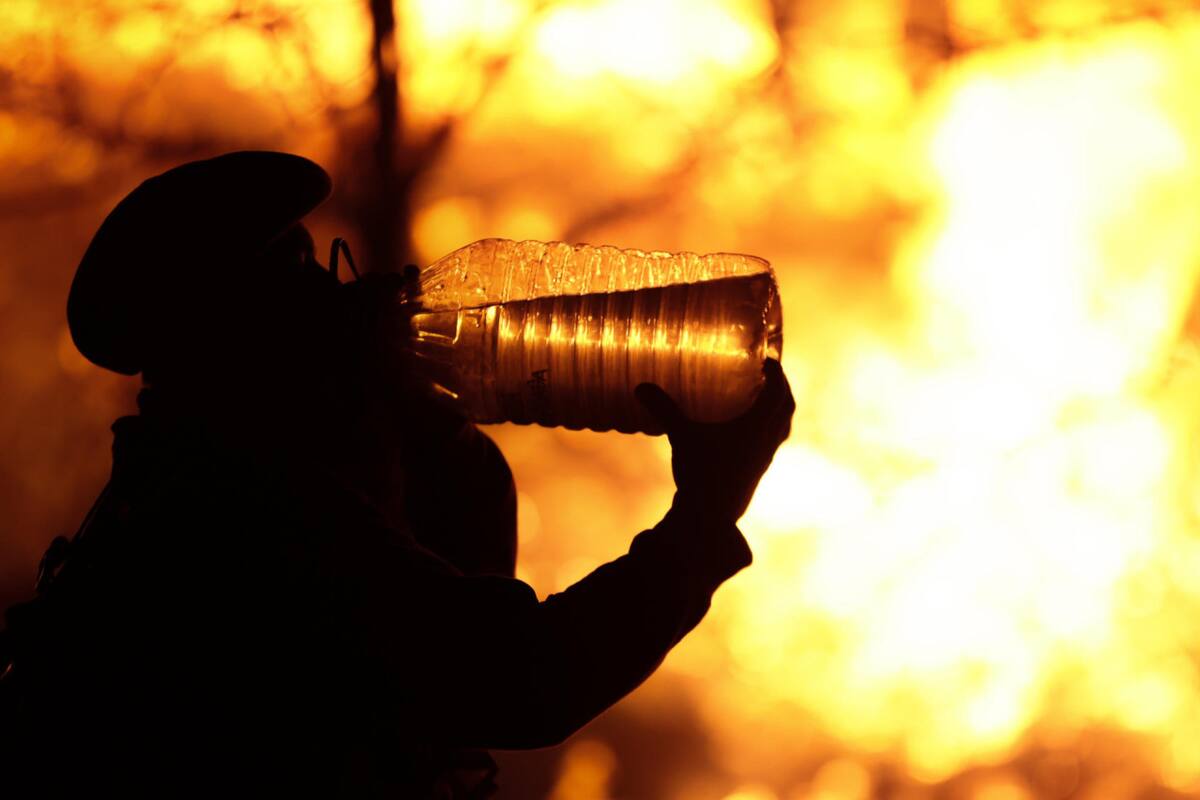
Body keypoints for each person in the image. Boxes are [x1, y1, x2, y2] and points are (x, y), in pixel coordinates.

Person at [0, 151, 794, 798]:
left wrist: (423, 429)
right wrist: (703, 516)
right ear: (235, 335)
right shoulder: (236, 517)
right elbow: (524, 678)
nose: (335, 293)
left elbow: (455, 593)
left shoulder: (226, 473)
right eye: (296, 273)